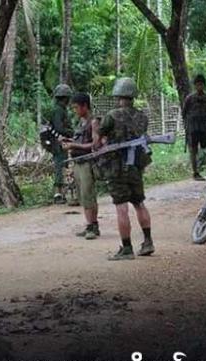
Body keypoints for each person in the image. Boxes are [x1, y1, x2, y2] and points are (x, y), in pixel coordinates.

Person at [98, 77, 154, 261]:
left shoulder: (112, 116)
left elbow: (99, 137)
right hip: (135, 168)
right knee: (139, 203)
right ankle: (148, 241)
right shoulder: (142, 117)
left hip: (116, 168)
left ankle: (127, 248)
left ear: (118, 95)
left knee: (121, 207)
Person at [61, 93, 101, 240]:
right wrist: (69, 141)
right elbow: (80, 139)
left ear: (85, 106)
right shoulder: (81, 122)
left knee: (88, 194)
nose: (75, 111)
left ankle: (92, 226)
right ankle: (92, 224)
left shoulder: (93, 122)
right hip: (78, 162)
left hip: (87, 162)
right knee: (83, 195)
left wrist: (74, 145)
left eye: (76, 107)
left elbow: (95, 144)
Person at [182, 74, 206, 181]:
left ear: (204, 85)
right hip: (194, 127)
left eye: (201, 84)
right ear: (195, 86)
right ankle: (195, 173)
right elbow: (184, 113)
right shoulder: (189, 98)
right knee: (194, 150)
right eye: (198, 84)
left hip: (205, 127)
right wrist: (187, 126)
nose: (199, 86)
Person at [50, 84, 75, 204]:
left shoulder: (61, 110)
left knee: (63, 166)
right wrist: (71, 132)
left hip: (61, 142)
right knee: (60, 166)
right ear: (65, 98)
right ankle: (58, 194)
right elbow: (59, 128)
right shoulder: (58, 111)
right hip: (58, 143)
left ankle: (62, 193)